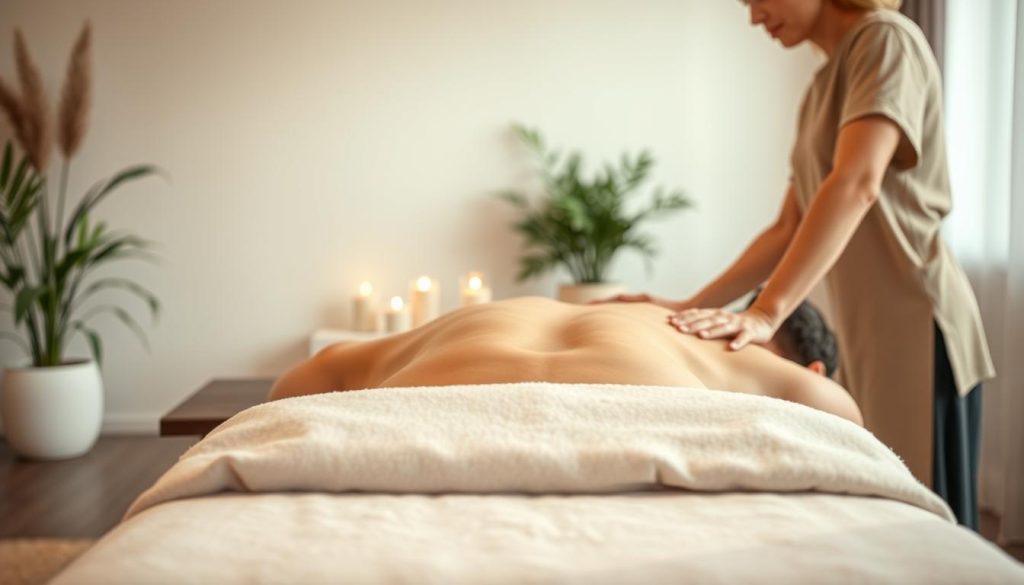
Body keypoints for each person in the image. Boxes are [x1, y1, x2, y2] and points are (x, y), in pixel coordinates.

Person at [602, 0, 994, 529]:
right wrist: (689, 305)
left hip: (916, 323)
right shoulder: (818, 90)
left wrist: (766, 313)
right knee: (885, 506)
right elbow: (786, 229)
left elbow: (858, 182)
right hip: (868, 330)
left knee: (922, 517)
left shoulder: (885, 40)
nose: (753, 16)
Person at [270, 297, 862, 426]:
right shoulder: (698, 338)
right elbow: (838, 412)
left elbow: (311, 375)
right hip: (647, 404)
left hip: (431, 396)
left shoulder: (470, 317)